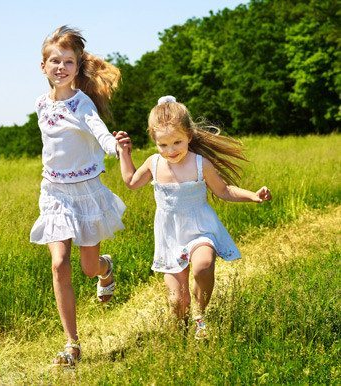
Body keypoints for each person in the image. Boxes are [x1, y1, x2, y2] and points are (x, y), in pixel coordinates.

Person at [115, 95, 271, 339]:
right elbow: (131, 182)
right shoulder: (154, 163)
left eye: (177, 142)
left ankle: (201, 314)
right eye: (163, 145)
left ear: (188, 135)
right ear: (154, 141)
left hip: (201, 228)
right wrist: (124, 153)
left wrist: (253, 195)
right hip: (170, 235)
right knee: (177, 302)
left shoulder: (200, 164)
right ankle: (184, 327)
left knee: (203, 265)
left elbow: (224, 191)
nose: (171, 150)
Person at [30, 25, 129, 366]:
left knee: (87, 268)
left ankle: (105, 269)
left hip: (86, 192)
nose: (60, 67)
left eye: (67, 61)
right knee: (59, 264)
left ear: (77, 66)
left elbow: (99, 132)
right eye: (54, 61)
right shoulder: (41, 104)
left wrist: (116, 147)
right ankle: (72, 345)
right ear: (43, 66)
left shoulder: (82, 102)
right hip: (54, 193)